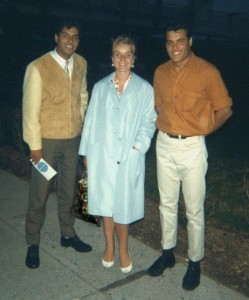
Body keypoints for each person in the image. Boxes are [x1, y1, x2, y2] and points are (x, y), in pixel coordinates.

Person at [147, 22, 233, 290]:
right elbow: (158, 106)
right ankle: (168, 253)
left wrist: (205, 129)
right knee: (166, 204)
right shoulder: (160, 72)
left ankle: (195, 261)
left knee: (194, 209)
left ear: (190, 42)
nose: (175, 47)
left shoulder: (207, 72)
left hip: (193, 147)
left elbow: (226, 109)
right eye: (170, 42)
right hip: (164, 144)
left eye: (180, 41)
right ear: (166, 45)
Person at [79, 35, 156, 273]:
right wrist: (86, 153)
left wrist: (137, 148)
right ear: (112, 58)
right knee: (105, 204)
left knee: (124, 204)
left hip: (128, 156)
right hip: (102, 154)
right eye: (118, 54)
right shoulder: (101, 87)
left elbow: (149, 121)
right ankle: (108, 246)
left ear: (134, 59)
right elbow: (90, 122)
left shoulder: (144, 88)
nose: (122, 59)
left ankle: (123, 248)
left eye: (127, 54)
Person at [22, 21, 92, 269]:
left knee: (68, 190)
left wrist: (82, 123)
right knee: (39, 193)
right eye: (65, 35)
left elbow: (83, 96)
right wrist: (35, 147)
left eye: (75, 36)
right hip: (46, 145)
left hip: (72, 141)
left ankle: (67, 234)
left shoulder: (81, 63)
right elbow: (30, 111)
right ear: (56, 37)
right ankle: (33, 242)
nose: (70, 40)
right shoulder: (38, 67)